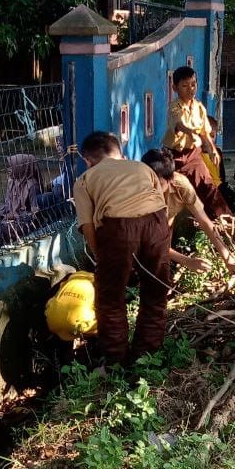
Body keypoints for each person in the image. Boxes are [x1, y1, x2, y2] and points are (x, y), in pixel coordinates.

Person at [73, 131, 171, 366]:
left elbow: (88, 227)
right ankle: (146, 358)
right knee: (156, 294)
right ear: (119, 153)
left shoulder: (85, 180)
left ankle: (116, 362)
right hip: (157, 224)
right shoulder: (142, 167)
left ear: (87, 160)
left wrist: (102, 259)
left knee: (110, 299)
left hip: (117, 229)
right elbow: (161, 206)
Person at [141, 147, 235, 275]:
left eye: (158, 184)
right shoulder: (137, 191)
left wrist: (227, 258)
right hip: (140, 238)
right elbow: (150, 240)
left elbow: (205, 222)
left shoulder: (181, 185)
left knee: (162, 267)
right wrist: (187, 261)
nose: (152, 189)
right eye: (148, 182)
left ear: (170, 179)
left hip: (165, 232)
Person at [162, 66, 231, 219]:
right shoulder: (174, 106)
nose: (190, 89)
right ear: (175, 88)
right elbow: (179, 124)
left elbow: (204, 131)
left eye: (193, 84)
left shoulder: (199, 107)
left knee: (208, 185)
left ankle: (226, 221)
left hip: (193, 154)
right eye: (185, 86)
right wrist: (190, 132)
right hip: (173, 156)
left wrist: (212, 149)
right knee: (170, 193)